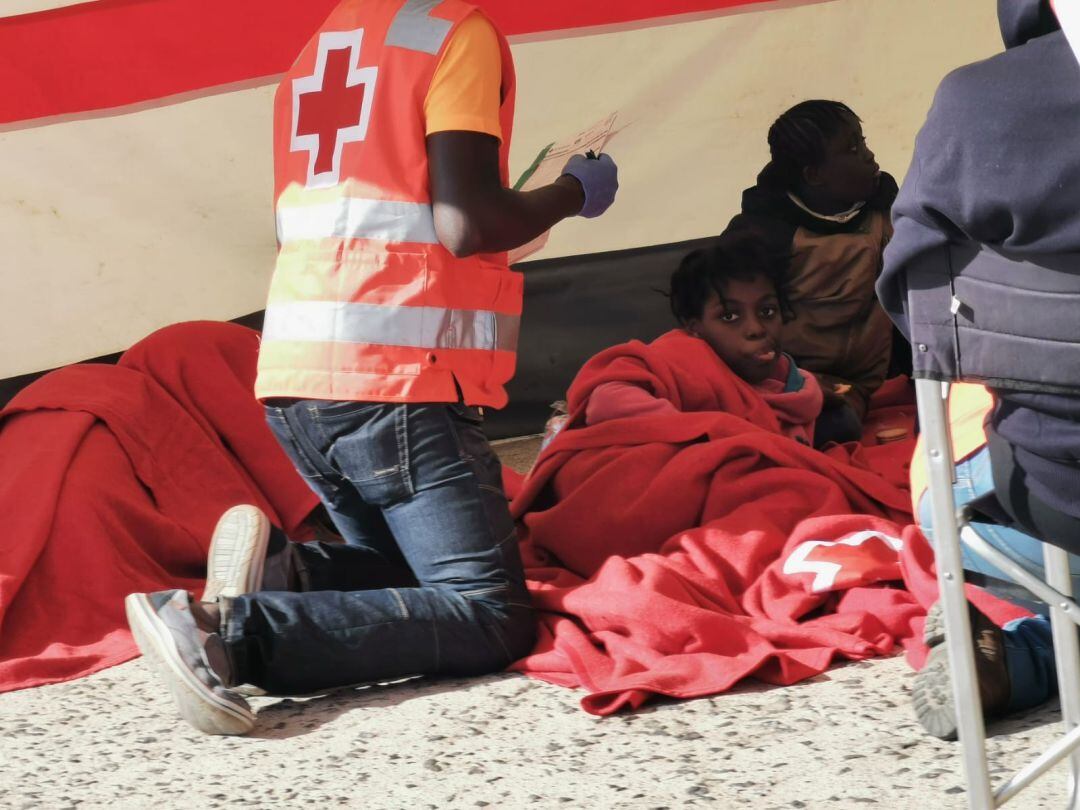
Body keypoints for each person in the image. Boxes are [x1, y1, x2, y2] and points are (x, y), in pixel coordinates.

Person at [124, 0, 619, 735]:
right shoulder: (457, 32)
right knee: (490, 615)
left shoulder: (325, 46)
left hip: (297, 374)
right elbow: (467, 224)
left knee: (406, 581)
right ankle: (226, 633)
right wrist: (573, 192)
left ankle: (293, 576)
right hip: (394, 380)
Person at [876, 0, 1076, 738]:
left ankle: (1022, 658)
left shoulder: (976, 102)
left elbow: (916, 310)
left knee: (948, 466)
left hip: (1053, 499)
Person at [725, 100, 902, 447]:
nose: (868, 155)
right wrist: (785, 376)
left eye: (863, 141)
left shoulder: (888, 215)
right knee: (766, 424)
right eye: (853, 149)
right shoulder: (762, 234)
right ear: (814, 175)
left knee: (838, 425)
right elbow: (729, 318)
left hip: (851, 385)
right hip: (782, 376)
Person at [584, 235, 823, 446]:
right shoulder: (679, 357)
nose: (756, 329)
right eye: (730, 316)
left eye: (767, 311)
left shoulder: (798, 393)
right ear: (695, 327)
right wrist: (708, 435)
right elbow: (606, 401)